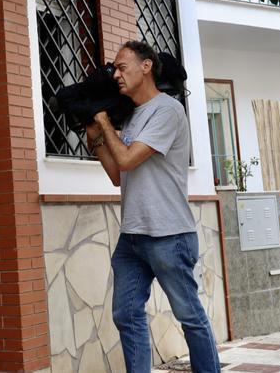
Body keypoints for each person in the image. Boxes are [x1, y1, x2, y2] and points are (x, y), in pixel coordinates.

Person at [85, 40, 221, 373]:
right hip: (133, 236)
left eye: (121, 66)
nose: (116, 74)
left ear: (146, 66)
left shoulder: (168, 110)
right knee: (126, 314)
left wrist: (104, 123)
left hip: (169, 234)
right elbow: (118, 175)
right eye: (114, 69)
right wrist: (97, 137)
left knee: (189, 317)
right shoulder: (132, 117)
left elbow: (129, 159)